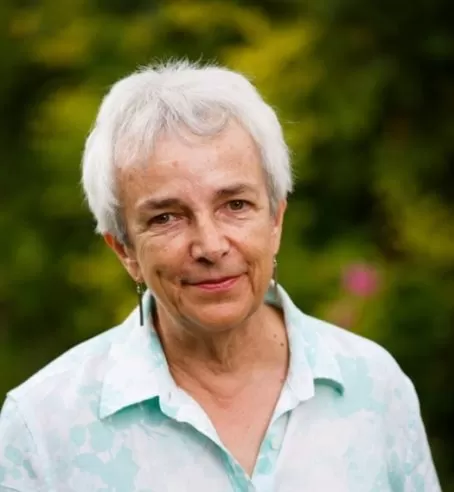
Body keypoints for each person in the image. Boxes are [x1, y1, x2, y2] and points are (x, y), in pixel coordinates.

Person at [0, 60, 441, 492]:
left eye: (235, 205)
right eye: (167, 217)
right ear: (124, 251)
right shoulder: (42, 427)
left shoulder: (375, 386)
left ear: (276, 221)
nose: (210, 246)